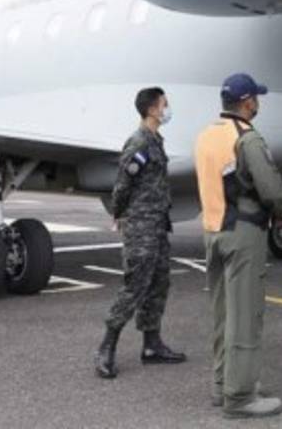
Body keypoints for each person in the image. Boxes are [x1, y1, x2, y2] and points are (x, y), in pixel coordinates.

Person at [195, 73, 282, 419]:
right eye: (256, 98)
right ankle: (241, 396)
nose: (258, 103)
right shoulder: (247, 139)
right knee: (245, 315)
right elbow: (272, 190)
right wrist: (280, 214)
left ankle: (223, 384)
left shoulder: (207, 135)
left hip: (213, 230)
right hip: (243, 232)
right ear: (247, 102)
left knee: (222, 313)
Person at [94, 86, 186, 379]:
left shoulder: (156, 141)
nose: (168, 108)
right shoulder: (138, 143)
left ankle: (152, 345)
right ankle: (106, 347)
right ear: (152, 110)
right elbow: (122, 185)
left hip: (158, 225)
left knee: (159, 284)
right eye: (164, 104)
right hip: (141, 227)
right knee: (135, 286)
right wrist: (119, 213)